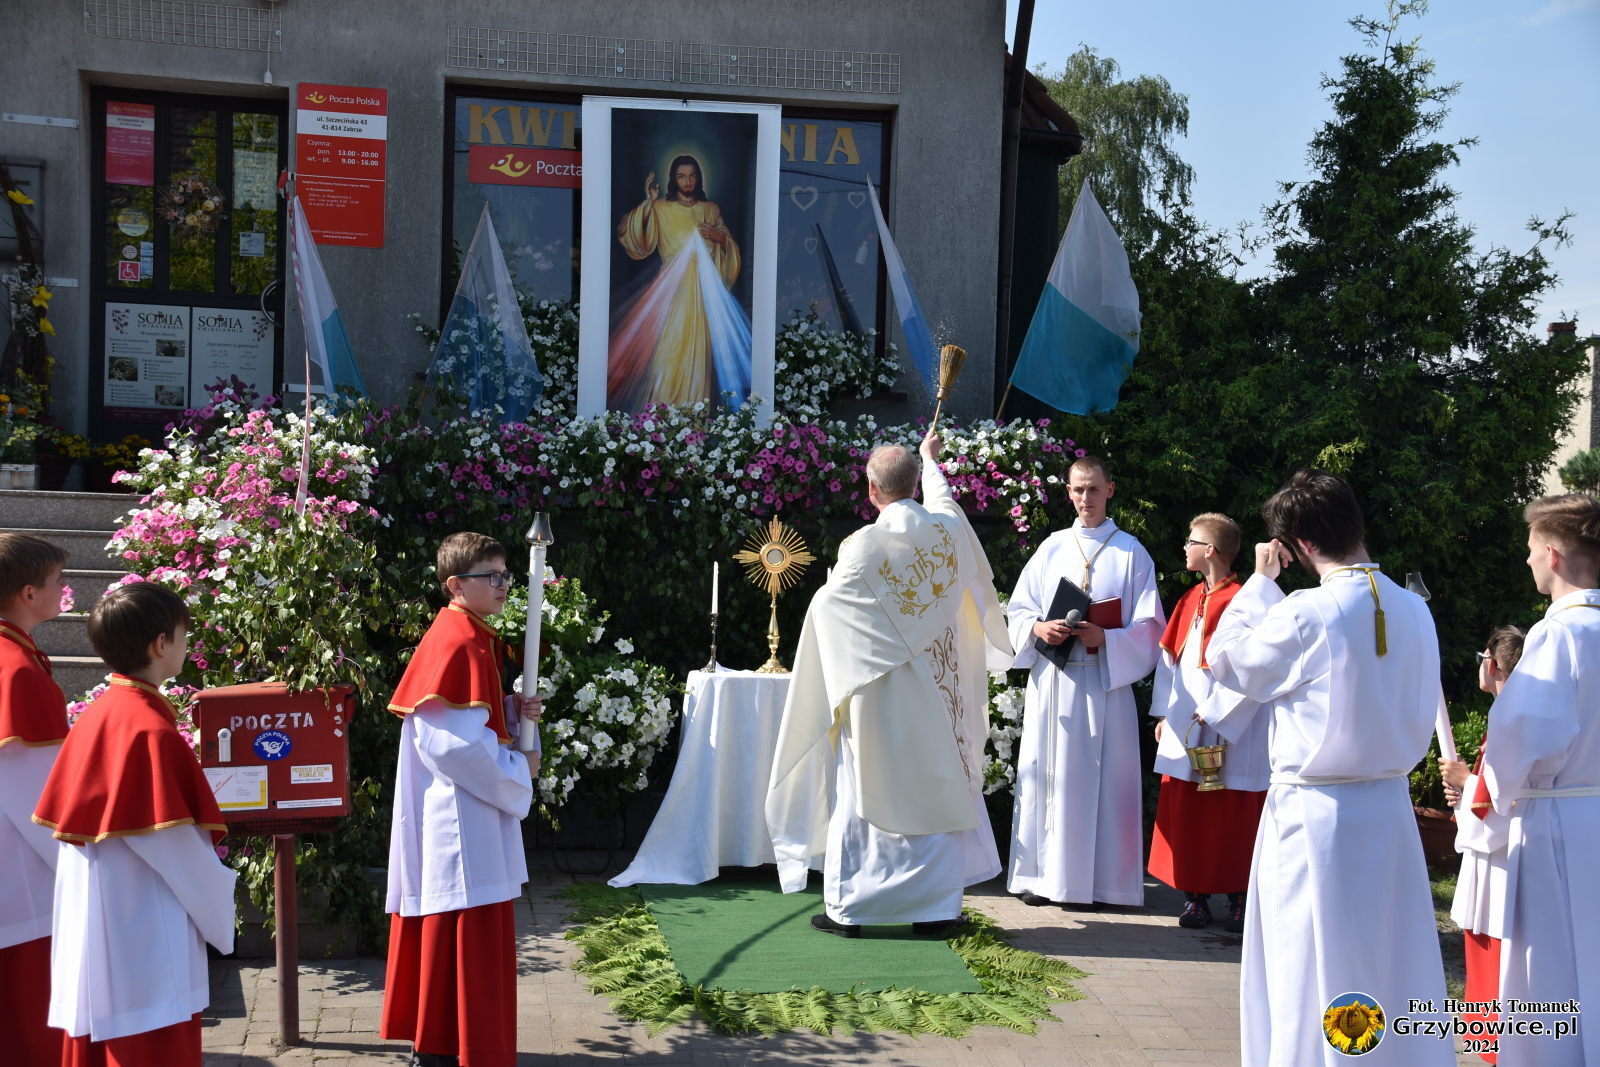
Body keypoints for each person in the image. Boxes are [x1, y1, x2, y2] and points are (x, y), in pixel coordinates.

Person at [1200, 468, 1449, 1065]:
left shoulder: (1308, 611)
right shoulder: (1415, 608)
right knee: (1387, 954)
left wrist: (1260, 584)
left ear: (1302, 544)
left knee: (1307, 959)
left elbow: (1227, 661)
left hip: (1315, 812)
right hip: (1389, 809)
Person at [767, 431, 1013, 936]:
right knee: (936, 787)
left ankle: (852, 911)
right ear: (914, 487)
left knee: (866, 788)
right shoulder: (946, 531)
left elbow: (826, 609)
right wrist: (929, 459)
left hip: (880, 694)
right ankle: (936, 912)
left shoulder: (861, 548)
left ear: (871, 491)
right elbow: (945, 500)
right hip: (938, 693)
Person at [34, 581, 237, 1066]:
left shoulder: (102, 712)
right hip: (142, 925)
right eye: (184, 635)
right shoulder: (147, 728)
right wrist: (219, 905)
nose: (186, 644)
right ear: (161, 644)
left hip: (99, 913)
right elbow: (175, 848)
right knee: (148, 1044)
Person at [381, 532, 542, 1067]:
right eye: (490, 576)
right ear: (455, 585)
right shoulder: (459, 642)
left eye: (505, 574)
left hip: (464, 809)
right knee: (463, 932)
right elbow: (451, 746)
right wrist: (518, 770)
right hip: (459, 817)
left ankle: (447, 1047)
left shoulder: (468, 634)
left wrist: (511, 711)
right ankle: (448, 1051)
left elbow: (471, 724)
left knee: (461, 931)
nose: (503, 585)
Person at [1004, 455, 1163, 908]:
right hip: (1054, 682)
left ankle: (1103, 885)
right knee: (1048, 779)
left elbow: (1151, 627)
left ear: (1109, 490)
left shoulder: (1131, 552)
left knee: (1106, 784)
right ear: (1068, 492)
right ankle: (1043, 878)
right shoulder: (1052, 547)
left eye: (1093, 489)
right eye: (1078, 489)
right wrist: (1038, 628)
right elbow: (1017, 610)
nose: (1085, 498)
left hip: (1104, 684)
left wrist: (1106, 639)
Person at [1478, 493, 1600, 1066]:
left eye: (1530, 549)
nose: (1527, 560)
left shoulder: (1558, 634)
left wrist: (1495, 796)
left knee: (1549, 965)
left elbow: (1520, 734)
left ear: (1552, 554)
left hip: (1554, 817)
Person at [1147, 513, 1267, 934]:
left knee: (1232, 816)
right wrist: (1165, 713)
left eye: (1191, 541)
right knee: (1190, 815)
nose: (1185, 547)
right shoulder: (1189, 598)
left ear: (1210, 550)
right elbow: (1169, 663)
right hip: (1187, 723)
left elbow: (1257, 669)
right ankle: (1194, 897)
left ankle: (1239, 898)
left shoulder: (1247, 601)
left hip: (1234, 728)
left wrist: (1219, 712)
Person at [1439, 624, 1525, 1066]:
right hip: (1492, 856)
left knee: (1494, 950)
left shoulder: (1511, 719)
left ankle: (1496, 1047)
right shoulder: (1508, 714)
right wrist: (1463, 793)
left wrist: (1465, 782)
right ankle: (1488, 1042)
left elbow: (1506, 799)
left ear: (1492, 666)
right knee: (1480, 946)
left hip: (1502, 860)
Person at [0, 533, 70, 1063]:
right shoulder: (18, 669)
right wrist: (78, 862)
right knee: (28, 1018)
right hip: (21, 868)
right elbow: (35, 797)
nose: (64, 590)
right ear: (29, 593)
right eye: (57, 581)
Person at [608, 153, 750, 410]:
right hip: (672, 290)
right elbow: (634, 238)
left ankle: (694, 418)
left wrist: (719, 237)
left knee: (700, 356)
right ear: (673, 179)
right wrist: (648, 203)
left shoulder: (711, 209)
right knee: (668, 351)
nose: (688, 181)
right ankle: (661, 415)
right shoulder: (660, 208)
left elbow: (731, 254)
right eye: (682, 176)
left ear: (699, 178)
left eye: (692, 176)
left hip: (704, 291)